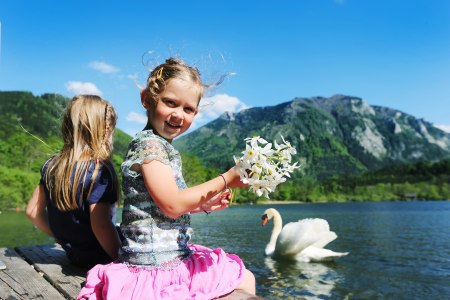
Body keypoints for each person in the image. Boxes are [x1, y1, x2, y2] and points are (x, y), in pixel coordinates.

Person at [78, 58, 256, 299]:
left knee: (242, 275)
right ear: (146, 99)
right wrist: (228, 177)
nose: (178, 115)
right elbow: (171, 205)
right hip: (155, 269)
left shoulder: (156, 145)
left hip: (165, 258)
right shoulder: (150, 147)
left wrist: (199, 204)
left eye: (188, 109)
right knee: (243, 277)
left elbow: (157, 208)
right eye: (170, 103)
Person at [26, 95, 122, 269]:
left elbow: (32, 211)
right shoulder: (99, 171)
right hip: (102, 258)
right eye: (112, 130)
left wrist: (62, 238)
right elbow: (101, 225)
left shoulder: (51, 167)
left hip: (75, 256)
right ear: (104, 130)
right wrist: (123, 261)